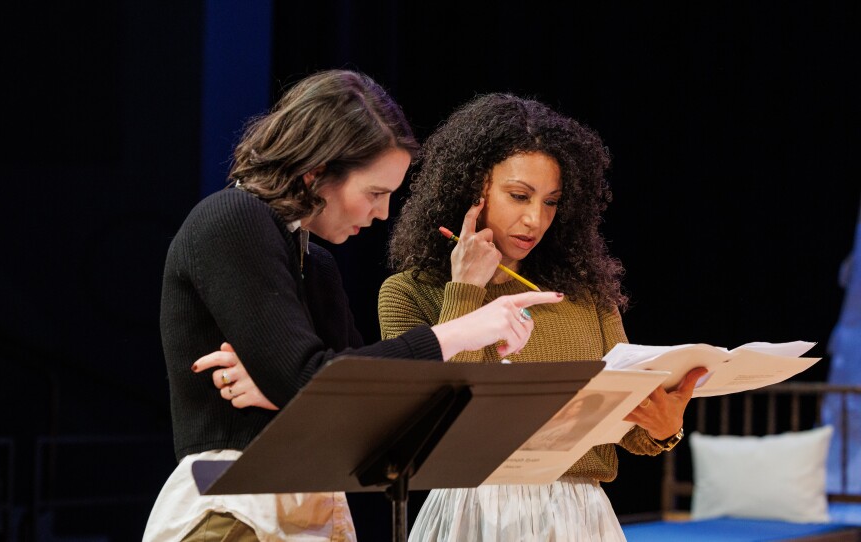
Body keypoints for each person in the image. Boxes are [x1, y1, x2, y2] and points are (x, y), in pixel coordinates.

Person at [142, 71, 563, 542]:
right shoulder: (232, 218)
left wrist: (278, 390)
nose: (382, 213)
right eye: (376, 193)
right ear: (317, 171)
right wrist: (466, 330)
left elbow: (361, 403)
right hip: (235, 510)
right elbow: (309, 379)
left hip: (314, 509)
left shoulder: (314, 262)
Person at [378, 93, 707, 541]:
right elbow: (436, 427)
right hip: (474, 511)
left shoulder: (586, 294)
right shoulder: (409, 292)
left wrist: (665, 429)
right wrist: (466, 291)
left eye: (551, 202)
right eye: (519, 196)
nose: (535, 219)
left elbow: (630, 431)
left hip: (578, 513)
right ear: (473, 189)